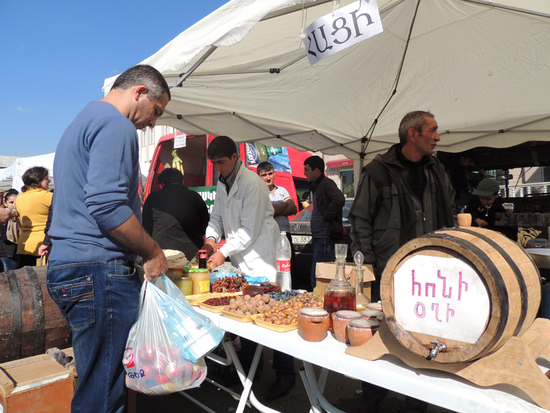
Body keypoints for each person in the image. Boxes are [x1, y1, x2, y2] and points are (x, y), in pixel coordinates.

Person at [46, 64, 170, 413]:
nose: (153, 123)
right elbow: (106, 205)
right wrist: (152, 250)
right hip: (98, 270)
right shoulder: (116, 124)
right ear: (140, 92)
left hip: (72, 266)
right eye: (156, 111)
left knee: (95, 382)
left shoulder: (80, 122)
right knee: (103, 396)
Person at [349, 111, 455, 413]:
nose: (437, 136)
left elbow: (449, 207)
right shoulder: (378, 171)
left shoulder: (437, 169)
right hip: (391, 273)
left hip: (432, 274)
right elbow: (359, 221)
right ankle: (371, 397)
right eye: (432, 131)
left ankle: (416, 402)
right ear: (413, 134)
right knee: (384, 337)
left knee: (424, 340)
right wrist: (366, 268)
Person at [199, 135, 279, 279]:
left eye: (221, 162)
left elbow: (249, 230)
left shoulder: (252, 184)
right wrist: (210, 240)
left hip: (260, 259)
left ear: (234, 156)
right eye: (214, 163)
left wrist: (222, 253)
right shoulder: (222, 183)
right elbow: (217, 217)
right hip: (239, 257)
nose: (218, 167)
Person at [256, 161, 298, 400]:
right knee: (257, 310)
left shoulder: (281, 191)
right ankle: (253, 369)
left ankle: (285, 374)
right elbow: (266, 212)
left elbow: (291, 206)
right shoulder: (256, 194)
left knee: (281, 305)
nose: (268, 177)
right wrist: (277, 208)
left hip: (282, 248)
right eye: (263, 174)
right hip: (261, 256)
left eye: (270, 173)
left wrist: (276, 208)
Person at [143, 167, 209, 259]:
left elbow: (146, 228)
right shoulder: (195, 197)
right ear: (182, 181)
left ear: (162, 184)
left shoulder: (153, 198)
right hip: (193, 255)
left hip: (164, 255)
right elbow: (205, 224)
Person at [303, 155, 345, 291]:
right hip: (320, 239)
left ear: (317, 170)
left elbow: (339, 199)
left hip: (325, 239)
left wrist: (327, 217)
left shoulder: (326, 183)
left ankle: (320, 306)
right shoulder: (318, 185)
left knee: (320, 277)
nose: (304, 173)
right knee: (317, 275)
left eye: (307, 170)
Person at [15, 167, 53, 267]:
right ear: (38, 180)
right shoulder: (47, 196)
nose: (49, 181)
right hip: (43, 245)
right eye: (46, 178)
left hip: (24, 244)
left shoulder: (19, 197)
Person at [0, 189, 20, 271]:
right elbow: (5, 237)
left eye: (16, 203)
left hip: (16, 253)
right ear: (5, 203)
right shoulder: (3, 216)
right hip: (7, 253)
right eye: (11, 202)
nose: (14, 205)